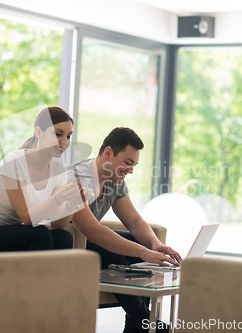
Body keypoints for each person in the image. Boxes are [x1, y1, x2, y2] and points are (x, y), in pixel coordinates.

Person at [67, 127, 182, 333]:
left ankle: (136, 326)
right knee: (115, 253)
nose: (131, 171)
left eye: (134, 165)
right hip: (68, 241)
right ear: (109, 153)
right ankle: (146, 321)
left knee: (140, 244)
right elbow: (91, 230)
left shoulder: (115, 181)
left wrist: (154, 244)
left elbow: (135, 221)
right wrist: (144, 252)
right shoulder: (77, 177)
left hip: (87, 239)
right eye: (128, 163)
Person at [0, 106, 92, 251]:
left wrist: (72, 202)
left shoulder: (58, 169)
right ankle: (38, 274)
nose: (65, 141)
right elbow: (27, 217)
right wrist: (58, 197)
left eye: (68, 136)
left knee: (63, 236)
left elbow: (58, 224)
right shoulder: (14, 162)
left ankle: (56, 275)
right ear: (38, 132)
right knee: (40, 234)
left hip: (12, 230)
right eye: (58, 134)